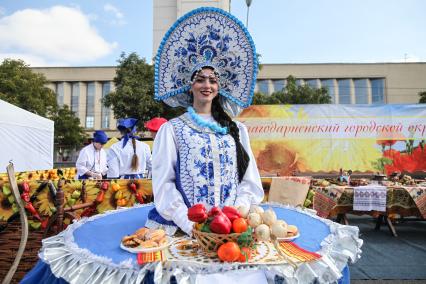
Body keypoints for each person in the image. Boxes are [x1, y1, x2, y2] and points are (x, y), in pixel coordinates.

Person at [145, 7, 264, 236]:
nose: (206, 85)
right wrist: (190, 223)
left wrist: (236, 214)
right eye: (200, 79)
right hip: (185, 230)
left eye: (212, 80)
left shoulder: (236, 129)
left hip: (231, 229)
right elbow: (164, 185)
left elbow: (249, 180)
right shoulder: (172, 130)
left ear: (219, 87)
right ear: (190, 85)